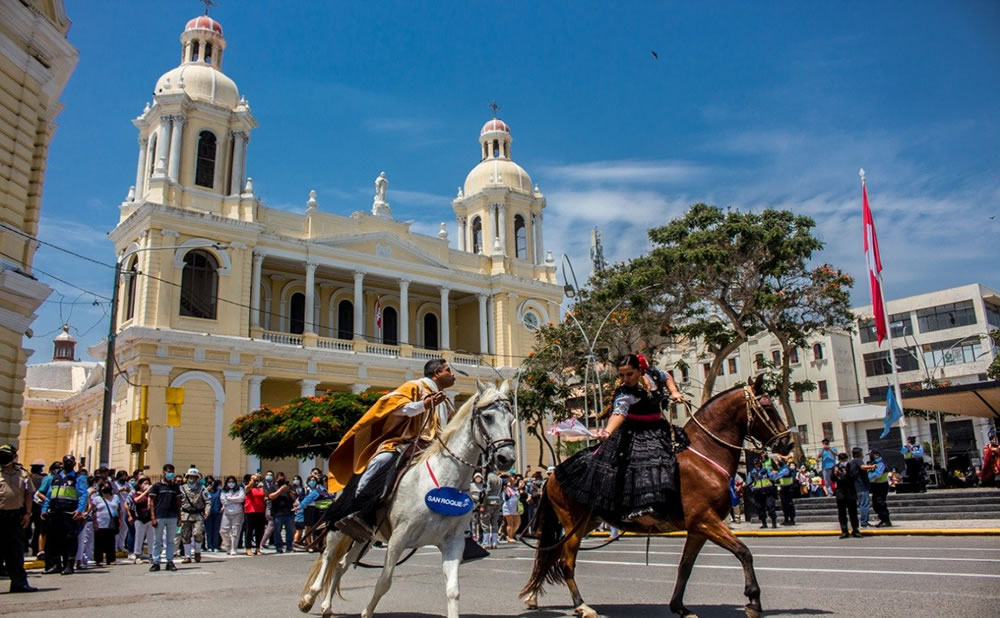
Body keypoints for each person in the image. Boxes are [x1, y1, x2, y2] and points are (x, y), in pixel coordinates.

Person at [326, 358, 456, 542]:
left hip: (435, 448)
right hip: (408, 441)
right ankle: (359, 508)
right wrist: (423, 405)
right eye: (448, 370)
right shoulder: (415, 387)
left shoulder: (446, 400)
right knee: (382, 459)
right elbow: (395, 408)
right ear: (437, 373)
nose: (453, 375)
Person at [554, 354, 689, 524]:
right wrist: (607, 431)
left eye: (630, 374)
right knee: (644, 464)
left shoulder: (653, 374)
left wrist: (675, 392)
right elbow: (619, 412)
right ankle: (641, 509)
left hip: (659, 427)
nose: (625, 379)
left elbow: (667, 376)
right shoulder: (625, 391)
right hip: (635, 433)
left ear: (640, 371)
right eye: (621, 375)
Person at [41, 454, 88, 575]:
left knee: (70, 539)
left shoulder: (79, 478)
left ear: (74, 463)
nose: (68, 463)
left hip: (70, 513)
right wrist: (44, 509)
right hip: (55, 512)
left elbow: (83, 495)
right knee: (54, 539)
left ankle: (69, 565)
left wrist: (80, 510)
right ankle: (56, 564)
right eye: (66, 461)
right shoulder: (56, 477)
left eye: (70, 461)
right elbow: (49, 495)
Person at [0, 444, 37, 592]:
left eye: (7, 454)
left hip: (16, 517)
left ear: (14, 456)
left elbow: (29, 493)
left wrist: (28, 513)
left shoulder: (22, 474)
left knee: (16, 552)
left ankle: (18, 583)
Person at [149, 463, 181, 572]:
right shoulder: (157, 486)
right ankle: (156, 562)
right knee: (157, 540)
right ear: (163, 472)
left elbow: (178, 503)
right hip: (160, 515)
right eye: (168, 471)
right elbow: (152, 502)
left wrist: (179, 517)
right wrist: (153, 517)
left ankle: (170, 561)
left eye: (172, 471)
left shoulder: (175, 487)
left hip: (172, 516)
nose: (170, 474)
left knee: (170, 540)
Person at [178, 468, 210, 563]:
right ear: (187, 477)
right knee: (185, 535)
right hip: (185, 513)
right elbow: (178, 502)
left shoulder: (202, 488)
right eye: (190, 477)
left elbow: (208, 501)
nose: (192, 479)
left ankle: (197, 552)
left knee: (198, 533)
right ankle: (187, 556)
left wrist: (207, 511)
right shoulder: (182, 488)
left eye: (194, 477)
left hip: (198, 514)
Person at [91, 480, 124, 566]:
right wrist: (94, 522)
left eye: (107, 486)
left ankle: (111, 559)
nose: (106, 488)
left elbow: (119, 510)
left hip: (112, 523)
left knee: (111, 542)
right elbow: (93, 511)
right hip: (100, 523)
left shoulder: (116, 497)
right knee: (99, 543)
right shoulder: (97, 499)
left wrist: (120, 520)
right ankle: (99, 560)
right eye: (103, 487)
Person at [832, 452, 861, 539]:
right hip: (841, 493)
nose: (843, 461)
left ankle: (855, 530)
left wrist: (846, 472)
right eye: (841, 460)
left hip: (850, 492)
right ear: (839, 460)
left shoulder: (851, 466)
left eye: (844, 460)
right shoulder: (835, 467)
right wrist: (836, 473)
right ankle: (844, 531)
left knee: (853, 513)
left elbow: (855, 476)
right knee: (842, 513)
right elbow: (832, 479)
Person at [219, 475, 245, 555]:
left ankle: (234, 548)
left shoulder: (240, 489)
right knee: (223, 531)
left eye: (232, 482)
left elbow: (241, 499)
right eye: (229, 482)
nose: (231, 483)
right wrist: (235, 500)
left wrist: (230, 499)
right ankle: (228, 545)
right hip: (227, 513)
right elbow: (223, 501)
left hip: (238, 512)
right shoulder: (224, 491)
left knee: (235, 531)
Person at [130, 477, 154, 562]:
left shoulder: (151, 494)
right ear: (140, 485)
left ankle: (151, 554)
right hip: (140, 518)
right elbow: (136, 500)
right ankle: (137, 554)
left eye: (148, 483)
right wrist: (146, 492)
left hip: (149, 518)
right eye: (144, 483)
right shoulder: (137, 493)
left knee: (151, 537)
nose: (146, 485)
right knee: (139, 537)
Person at [268, 477, 295, 553]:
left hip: (289, 512)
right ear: (276, 479)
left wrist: (289, 490)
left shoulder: (289, 486)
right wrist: (280, 490)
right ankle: (279, 546)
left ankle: (289, 546)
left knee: (290, 530)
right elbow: (271, 497)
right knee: (277, 531)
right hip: (278, 513)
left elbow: (294, 497)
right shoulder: (273, 487)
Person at [748, 459, 777, 528]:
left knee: (770, 506)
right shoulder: (751, 473)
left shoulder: (766, 470)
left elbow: (773, 477)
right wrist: (753, 489)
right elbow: (749, 483)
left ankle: (774, 522)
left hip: (767, 491)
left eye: (758, 463)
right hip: (758, 493)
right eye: (756, 464)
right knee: (760, 508)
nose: (757, 465)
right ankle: (764, 523)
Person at [243, 473, 267, 555]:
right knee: (249, 530)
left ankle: (258, 548)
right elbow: (248, 488)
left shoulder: (260, 488)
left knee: (259, 531)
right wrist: (252, 479)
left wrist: (263, 486)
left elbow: (267, 494)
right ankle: (248, 548)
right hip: (250, 511)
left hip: (260, 511)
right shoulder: (247, 488)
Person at [867, 449, 892, 527]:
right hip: (876, 485)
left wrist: (868, 478)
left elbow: (878, 474)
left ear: (876, 455)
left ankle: (886, 520)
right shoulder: (873, 463)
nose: (871, 457)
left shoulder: (880, 463)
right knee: (875, 504)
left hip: (882, 485)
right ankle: (882, 519)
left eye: (872, 455)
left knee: (880, 503)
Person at [479, 471, 503, 548]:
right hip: (498, 501)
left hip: (489, 502)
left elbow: (486, 492)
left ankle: (486, 542)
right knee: (494, 522)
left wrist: (483, 504)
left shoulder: (489, 481)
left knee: (485, 522)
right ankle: (494, 542)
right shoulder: (500, 480)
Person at [852, 448, 874, 528]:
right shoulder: (857, 460)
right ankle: (864, 522)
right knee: (864, 505)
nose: (862, 455)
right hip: (862, 487)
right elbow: (862, 467)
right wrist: (872, 466)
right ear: (858, 454)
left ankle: (864, 522)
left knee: (862, 504)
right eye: (861, 453)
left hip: (857, 487)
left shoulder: (851, 462)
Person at [774, 455, 797, 525]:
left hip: (788, 489)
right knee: (784, 505)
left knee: (789, 504)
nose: (778, 463)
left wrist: (776, 474)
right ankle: (786, 518)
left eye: (779, 462)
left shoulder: (786, 469)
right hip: (783, 489)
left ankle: (792, 519)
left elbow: (781, 475)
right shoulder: (780, 469)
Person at [205, 477, 222, 552]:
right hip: (208, 513)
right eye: (208, 483)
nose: (210, 484)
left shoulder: (219, 491)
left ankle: (215, 546)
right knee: (209, 530)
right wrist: (206, 490)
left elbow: (222, 500)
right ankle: (209, 546)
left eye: (211, 483)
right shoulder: (205, 491)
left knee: (216, 530)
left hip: (217, 512)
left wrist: (222, 508)